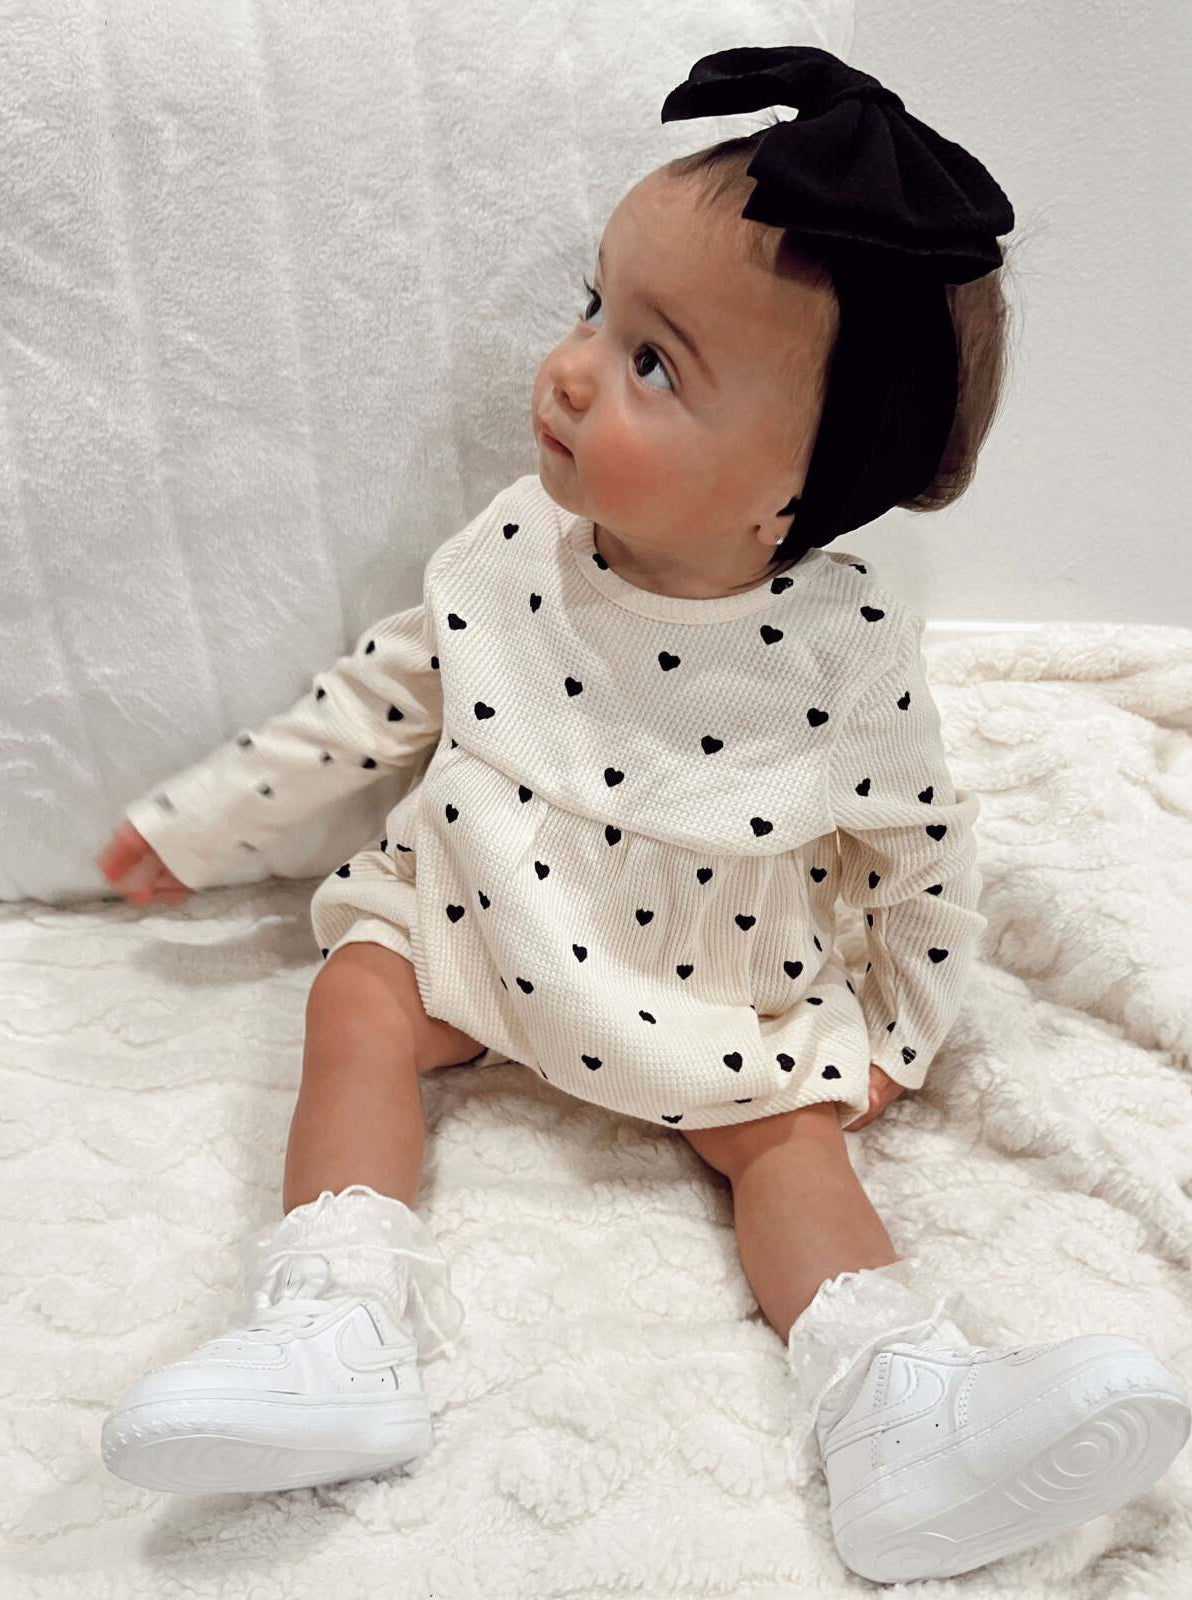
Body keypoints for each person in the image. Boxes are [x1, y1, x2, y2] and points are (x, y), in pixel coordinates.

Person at [97, 46, 1188, 1586]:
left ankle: (900, 1407)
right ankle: (332, 1327)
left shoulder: (840, 650)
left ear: (789, 499)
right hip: (483, 909)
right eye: (593, 307)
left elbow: (921, 847)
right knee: (357, 995)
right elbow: (380, 693)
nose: (570, 367)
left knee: (790, 1143)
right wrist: (206, 820)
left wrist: (901, 1027)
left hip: (707, 969)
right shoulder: (516, 543)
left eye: (654, 364)